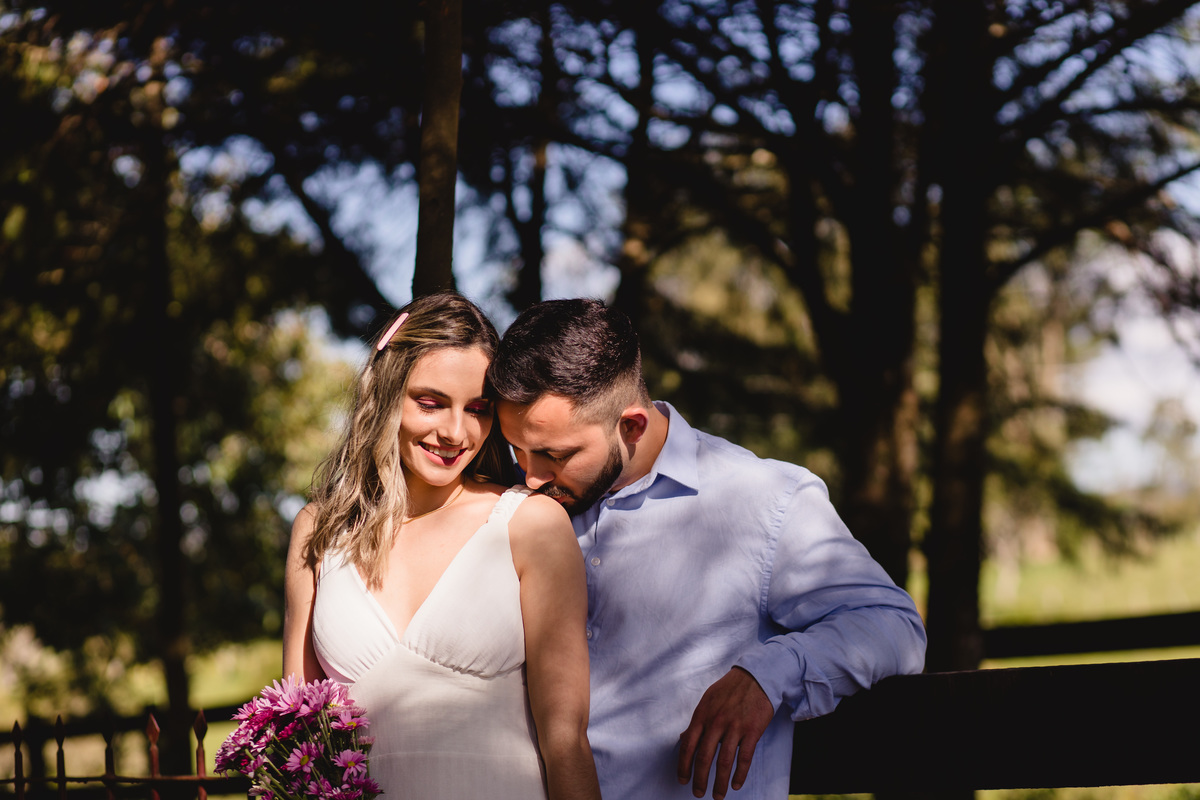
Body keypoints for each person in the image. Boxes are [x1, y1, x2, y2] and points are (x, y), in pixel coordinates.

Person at [488, 298, 928, 800]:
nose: (531, 477)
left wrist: (770, 671)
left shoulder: (767, 501)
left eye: (555, 455)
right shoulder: (517, 511)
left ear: (631, 425)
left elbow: (895, 625)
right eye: (517, 450)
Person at [283, 292, 602, 800]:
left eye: (478, 409)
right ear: (387, 395)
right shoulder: (319, 531)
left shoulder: (530, 524)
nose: (456, 432)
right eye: (430, 403)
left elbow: (565, 741)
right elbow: (295, 731)